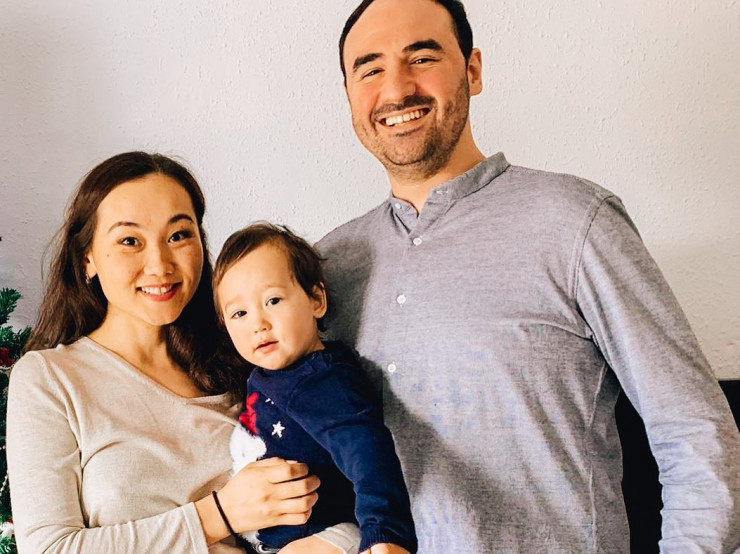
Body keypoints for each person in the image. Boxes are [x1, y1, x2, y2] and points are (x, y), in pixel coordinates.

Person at [317, 0, 740, 552]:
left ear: (472, 71)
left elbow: (695, 432)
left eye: (422, 58)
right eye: (370, 69)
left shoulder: (575, 221)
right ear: (349, 95)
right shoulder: (323, 269)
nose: (396, 89)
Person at [6, 152, 321, 553]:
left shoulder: (248, 360)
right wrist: (218, 515)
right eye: (129, 241)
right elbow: (49, 548)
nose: (159, 264)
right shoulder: (50, 379)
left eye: (178, 236)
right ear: (88, 259)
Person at [213, 223, 416, 554]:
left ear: (316, 300)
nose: (258, 323)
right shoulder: (268, 374)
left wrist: (385, 532)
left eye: (273, 300)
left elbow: (369, 451)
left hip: (329, 533)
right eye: (239, 313)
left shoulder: (322, 380)